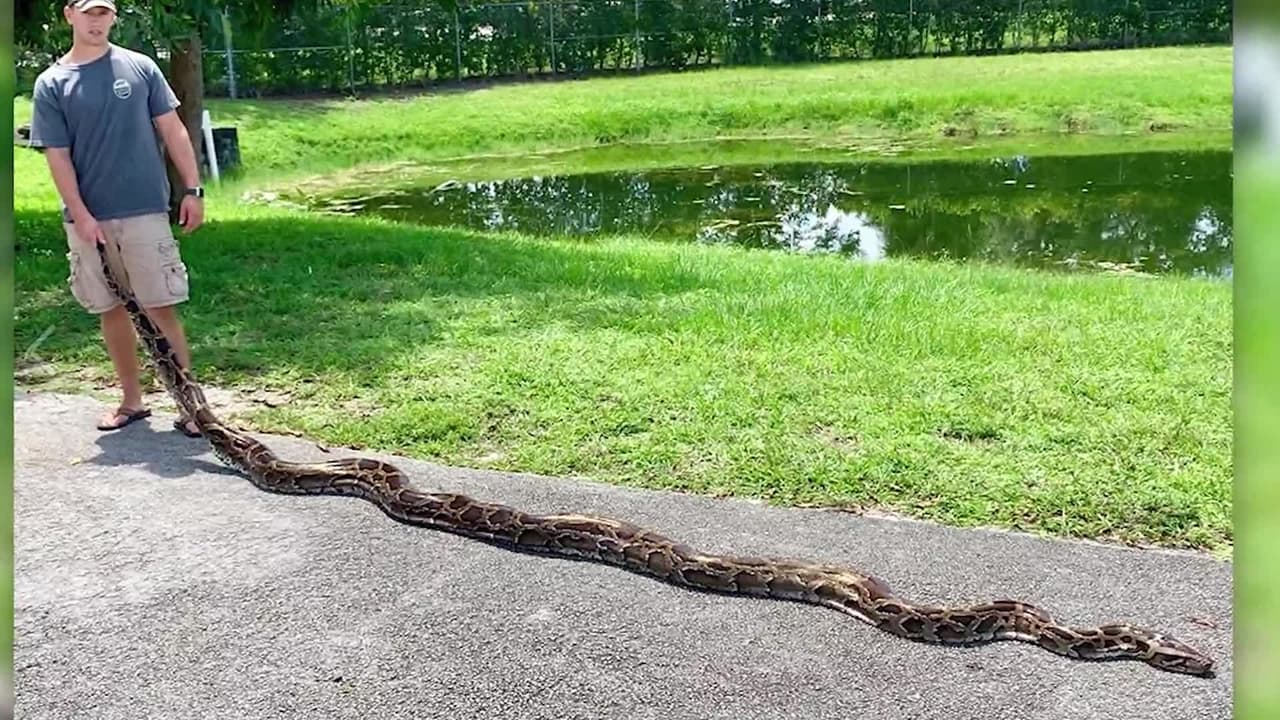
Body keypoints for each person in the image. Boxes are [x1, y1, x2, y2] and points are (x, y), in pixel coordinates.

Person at [28, 0, 206, 437]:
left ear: (113, 17)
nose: (97, 20)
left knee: (159, 305)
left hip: (145, 210)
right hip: (88, 220)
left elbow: (174, 129)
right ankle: (132, 401)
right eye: (88, 11)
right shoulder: (52, 83)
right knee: (112, 310)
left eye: (104, 12)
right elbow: (58, 156)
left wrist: (193, 189)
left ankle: (191, 406)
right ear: (68, 14)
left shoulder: (140, 67)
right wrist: (83, 216)